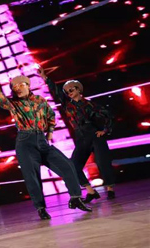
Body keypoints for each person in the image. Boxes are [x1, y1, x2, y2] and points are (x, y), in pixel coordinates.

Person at [0, 66, 92, 220]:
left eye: (21, 85)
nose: (18, 88)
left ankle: (75, 198)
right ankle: (41, 208)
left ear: (27, 85)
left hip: (42, 140)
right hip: (25, 142)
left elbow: (50, 115)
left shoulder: (39, 100)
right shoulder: (13, 103)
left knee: (67, 165)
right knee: (32, 177)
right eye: (14, 87)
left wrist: (50, 133)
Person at [39, 66, 116, 201]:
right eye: (67, 91)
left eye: (71, 89)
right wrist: (45, 78)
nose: (68, 92)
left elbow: (108, 115)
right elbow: (56, 91)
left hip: (94, 135)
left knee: (103, 162)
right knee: (73, 166)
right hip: (81, 138)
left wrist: (105, 130)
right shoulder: (67, 104)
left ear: (78, 90)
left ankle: (110, 189)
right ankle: (90, 191)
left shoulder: (90, 104)